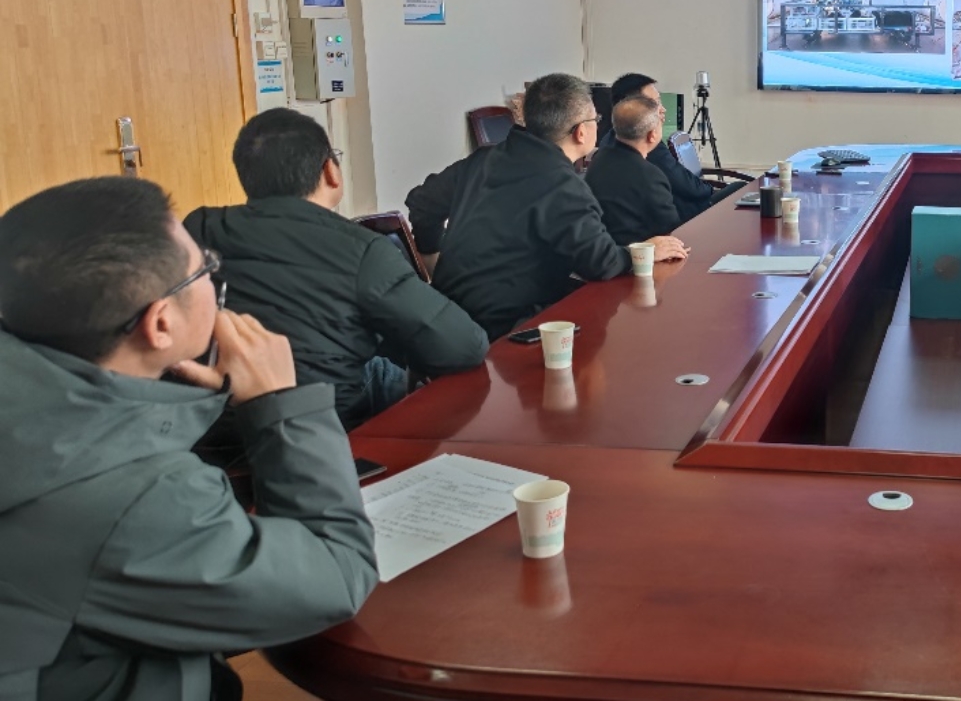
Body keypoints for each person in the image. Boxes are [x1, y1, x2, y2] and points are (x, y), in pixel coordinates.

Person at [0, 177, 377, 700]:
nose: (214, 280)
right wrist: (281, 407)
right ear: (160, 324)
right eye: (206, 269)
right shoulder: (138, 499)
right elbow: (334, 577)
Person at [184, 109, 487, 429]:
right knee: (384, 371)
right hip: (325, 422)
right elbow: (464, 346)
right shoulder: (362, 249)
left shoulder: (197, 227)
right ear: (331, 171)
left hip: (210, 421)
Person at [406, 73, 688, 339]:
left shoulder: (483, 159)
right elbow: (600, 263)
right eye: (596, 119)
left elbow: (421, 203)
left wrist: (431, 257)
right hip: (509, 327)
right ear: (581, 132)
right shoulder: (564, 184)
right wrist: (645, 251)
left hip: (446, 315)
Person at [598, 73, 745, 222]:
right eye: (655, 103)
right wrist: (712, 190)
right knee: (740, 189)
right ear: (634, 107)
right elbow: (687, 188)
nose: (663, 109)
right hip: (688, 220)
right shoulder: (648, 148)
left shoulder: (608, 142)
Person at [585, 96, 683, 246]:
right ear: (652, 135)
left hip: (604, 249)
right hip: (640, 255)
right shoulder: (650, 176)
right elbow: (672, 229)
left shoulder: (599, 159)